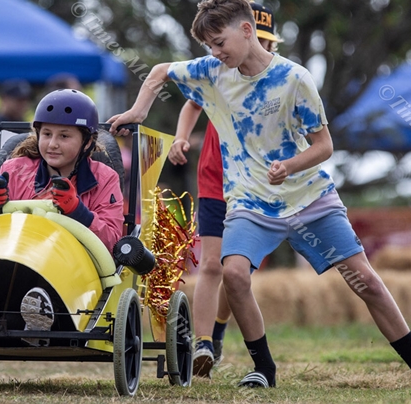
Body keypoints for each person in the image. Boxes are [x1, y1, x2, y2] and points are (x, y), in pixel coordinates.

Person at [108, 0, 411, 389]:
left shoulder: (294, 78)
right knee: (234, 274)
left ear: (246, 30)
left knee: (366, 283)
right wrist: (139, 113)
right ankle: (264, 368)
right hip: (250, 204)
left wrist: (289, 166)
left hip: (310, 199)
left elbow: (324, 147)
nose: (215, 53)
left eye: (220, 42)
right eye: (208, 45)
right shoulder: (212, 72)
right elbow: (158, 72)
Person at [0, 89, 125, 345]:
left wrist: (77, 211)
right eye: (47, 134)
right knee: (0, 264)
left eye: (64, 136)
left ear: (87, 142)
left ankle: (39, 308)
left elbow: (112, 242)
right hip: (12, 260)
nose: (52, 144)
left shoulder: (105, 178)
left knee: (46, 270)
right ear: (37, 135)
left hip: (72, 273)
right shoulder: (13, 169)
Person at [167, 1, 283, 377]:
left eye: (266, 41)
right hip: (215, 177)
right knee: (213, 264)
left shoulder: (282, 79)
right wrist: (181, 139)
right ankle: (202, 343)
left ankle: (216, 332)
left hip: (256, 184)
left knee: (238, 274)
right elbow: (191, 105)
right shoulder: (217, 72)